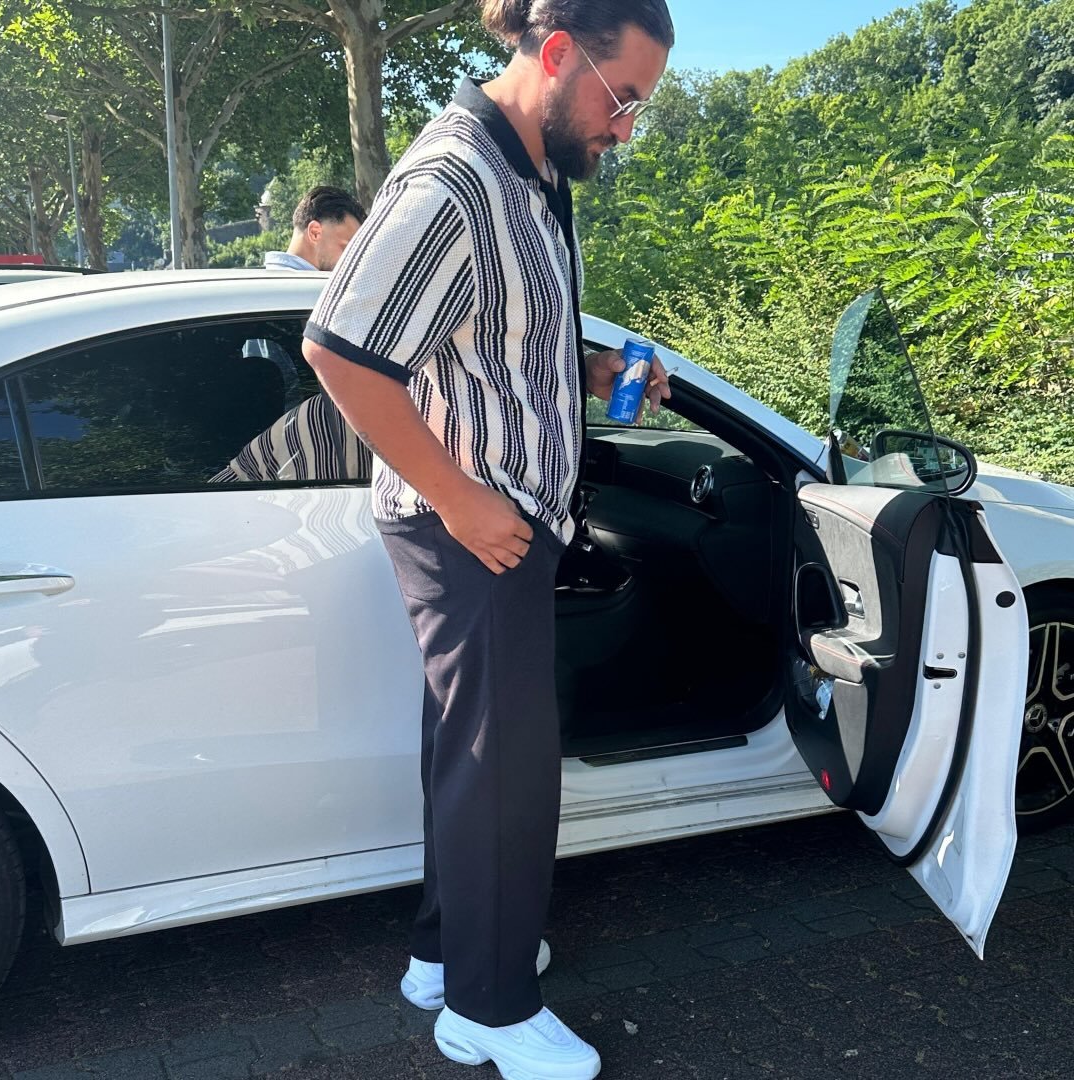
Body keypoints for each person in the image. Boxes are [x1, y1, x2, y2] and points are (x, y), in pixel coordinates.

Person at [302, 2, 674, 1076]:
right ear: (557, 55)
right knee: (506, 770)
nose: (625, 128)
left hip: (498, 517)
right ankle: (491, 1009)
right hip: (471, 526)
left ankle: (446, 955)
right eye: (622, 98)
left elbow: (491, 339)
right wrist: (462, 501)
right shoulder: (456, 179)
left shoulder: (537, 172)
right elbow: (340, 351)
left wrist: (591, 371)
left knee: (469, 758)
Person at [213, 188, 370, 484]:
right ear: (315, 232)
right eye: (346, 247)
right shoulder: (323, 302)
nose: (351, 262)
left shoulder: (248, 296)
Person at [265, 185, 366, 272]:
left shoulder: (268, 282)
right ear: (315, 233)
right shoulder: (313, 287)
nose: (354, 261)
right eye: (347, 249)